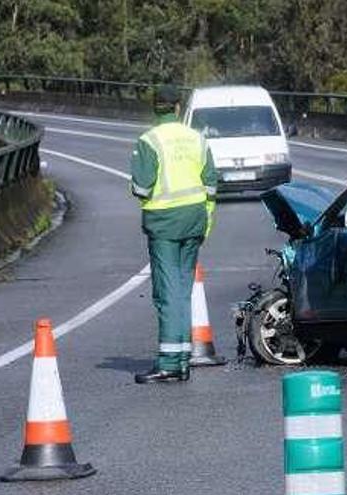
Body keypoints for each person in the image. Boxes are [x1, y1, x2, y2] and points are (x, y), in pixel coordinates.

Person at [131, 85, 217, 384]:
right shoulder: (197, 139)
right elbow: (211, 185)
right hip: (194, 220)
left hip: (164, 223)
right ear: (178, 108)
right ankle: (182, 359)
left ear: (155, 108)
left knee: (167, 293)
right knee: (181, 290)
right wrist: (205, 222)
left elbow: (141, 187)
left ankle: (170, 363)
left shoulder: (148, 141)